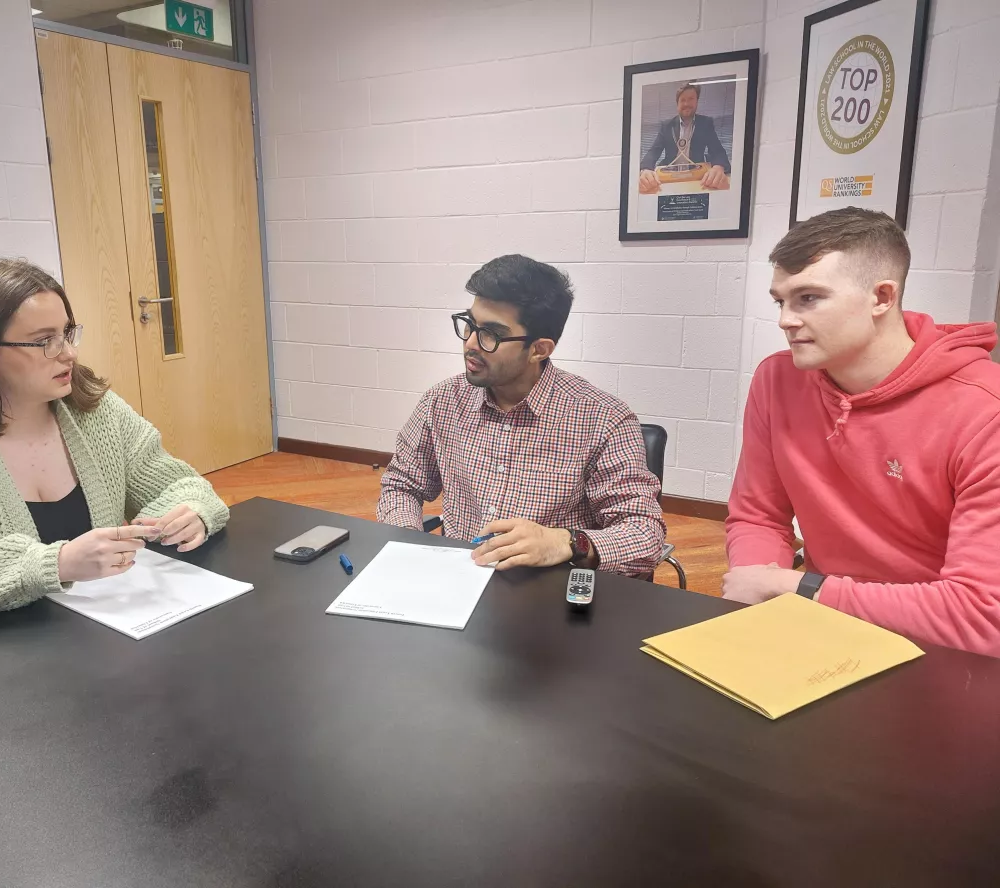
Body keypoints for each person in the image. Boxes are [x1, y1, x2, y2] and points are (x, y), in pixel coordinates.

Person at [0, 258, 229, 639]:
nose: (68, 353)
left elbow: (179, 484)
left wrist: (192, 512)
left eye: (68, 333)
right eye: (43, 342)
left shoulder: (92, 409)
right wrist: (58, 563)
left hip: (47, 636)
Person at [724, 207, 1000, 657]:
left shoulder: (984, 412)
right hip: (822, 625)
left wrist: (799, 589)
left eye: (809, 298)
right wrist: (763, 596)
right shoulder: (777, 381)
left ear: (882, 297)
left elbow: (983, 615)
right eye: (781, 300)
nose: (785, 320)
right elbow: (758, 516)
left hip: (943, 651)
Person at [377, 254, 666, 575]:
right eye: (470, 324)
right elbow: (402, 484)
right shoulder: (443, 401)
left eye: (492, 334)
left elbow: (644, 533)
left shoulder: (602, 419)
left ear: (539, 349)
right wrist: (411, 550)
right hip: (458, 581)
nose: (471, 343)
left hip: (549, 592)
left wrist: (567, 543)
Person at [638, 82, 731, 193]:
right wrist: (646, 169)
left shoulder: (705, 123)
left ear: (697, 101)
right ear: (677, 104)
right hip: (670, 176)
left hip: (696, 176)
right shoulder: (667, 126)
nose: (686, 103)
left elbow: (717, 150)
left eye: (691, 99)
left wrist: (718, 167)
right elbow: (653, 151)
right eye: (683, 100)